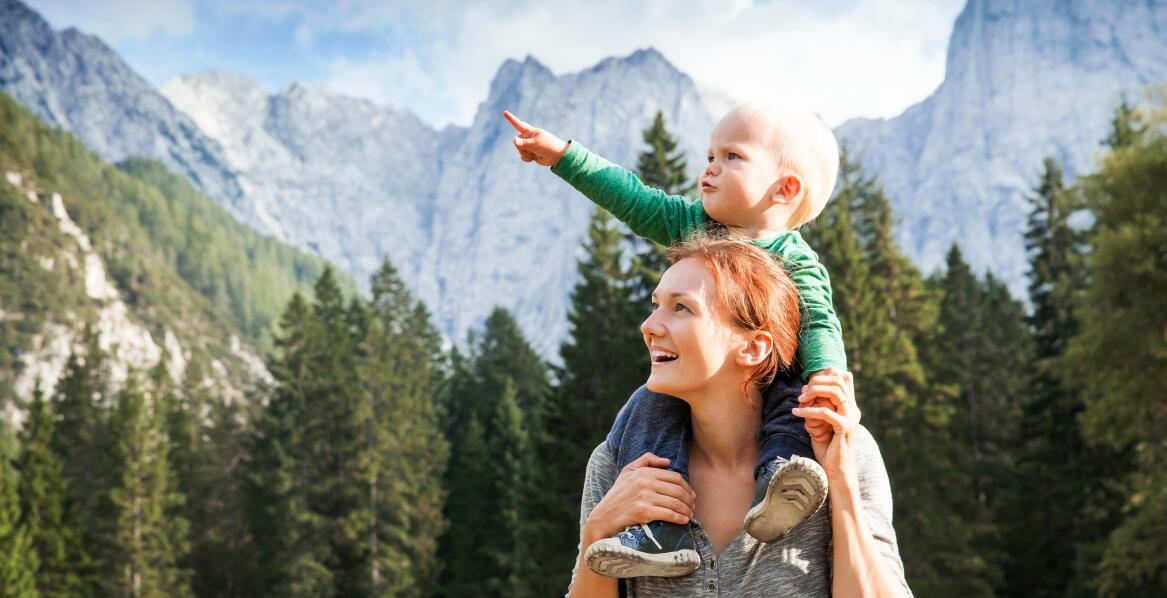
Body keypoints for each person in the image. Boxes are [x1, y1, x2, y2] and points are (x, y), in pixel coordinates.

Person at [505, 102, 847, 576]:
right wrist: (564, 156)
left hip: (771, 380)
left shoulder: (797, 261)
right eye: (710, 154)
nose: (710, 166)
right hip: (695, 386)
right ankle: (660, 529)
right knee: (648, 408)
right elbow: (633, 199)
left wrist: (827, 376)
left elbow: (821, 326)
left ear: (786, 189)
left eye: (732, 156)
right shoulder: (695, 227)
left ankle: (780, 484)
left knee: (795, 403)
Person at [566, 238, 911, 597]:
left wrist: (841, 483)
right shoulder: (619, 464)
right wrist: (598, 532)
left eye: (681, 307)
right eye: (655, 306)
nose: (649, 326)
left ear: (753, 347)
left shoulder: (839, 453)